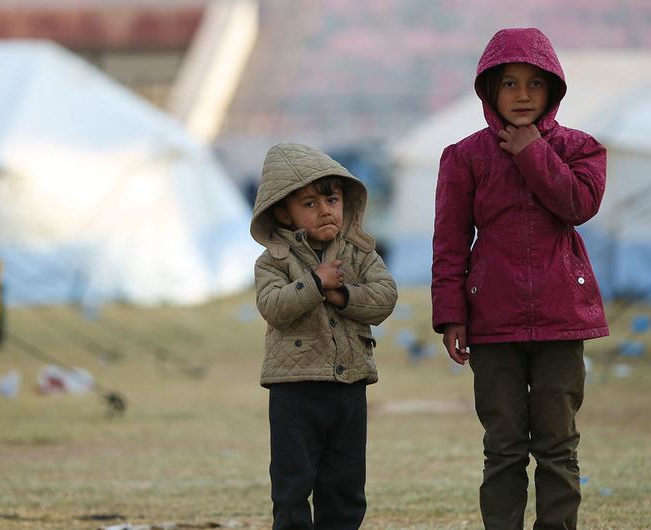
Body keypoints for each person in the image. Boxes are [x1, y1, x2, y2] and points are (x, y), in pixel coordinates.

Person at [431, 27, 609, 529]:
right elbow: (449, 243)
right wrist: (450, 315)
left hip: (562, 320)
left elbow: (578, 205)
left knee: (557, 447)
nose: (523, 95)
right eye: (509, 83)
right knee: (504, 449)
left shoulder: (581, 150)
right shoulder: (465, 157)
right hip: (492, 323)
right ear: (489, 90)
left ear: (553, 88)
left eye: (534, 82)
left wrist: (533, 151)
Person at [251, 142, 398, 529]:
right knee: (292, 484)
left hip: (348, 385)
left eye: (331, 199)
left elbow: (384, 297)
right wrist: (315, 283)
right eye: (310, 204)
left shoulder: (360, 253)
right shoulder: (273, 261)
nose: (325, 210)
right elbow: (273, 307)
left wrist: (345, 294)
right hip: (295, 390)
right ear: (283, 213)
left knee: (345, 484)